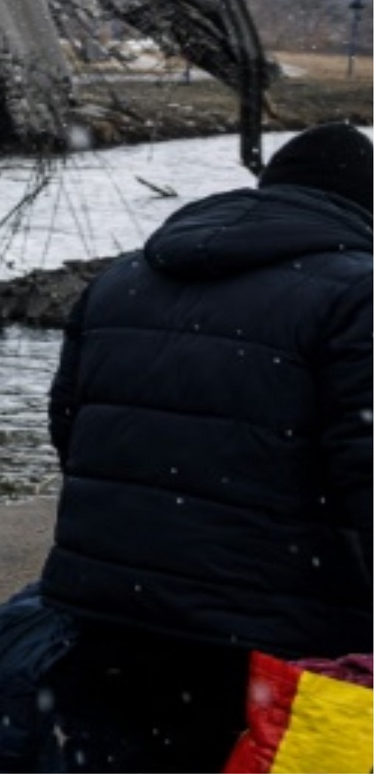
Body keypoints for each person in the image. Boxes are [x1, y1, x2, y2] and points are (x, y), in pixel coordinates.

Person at [36, 122, 372, 772]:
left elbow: (69, 430)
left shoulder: (122, 278)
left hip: (104, 604)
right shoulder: (358, 293)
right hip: (270, 625)